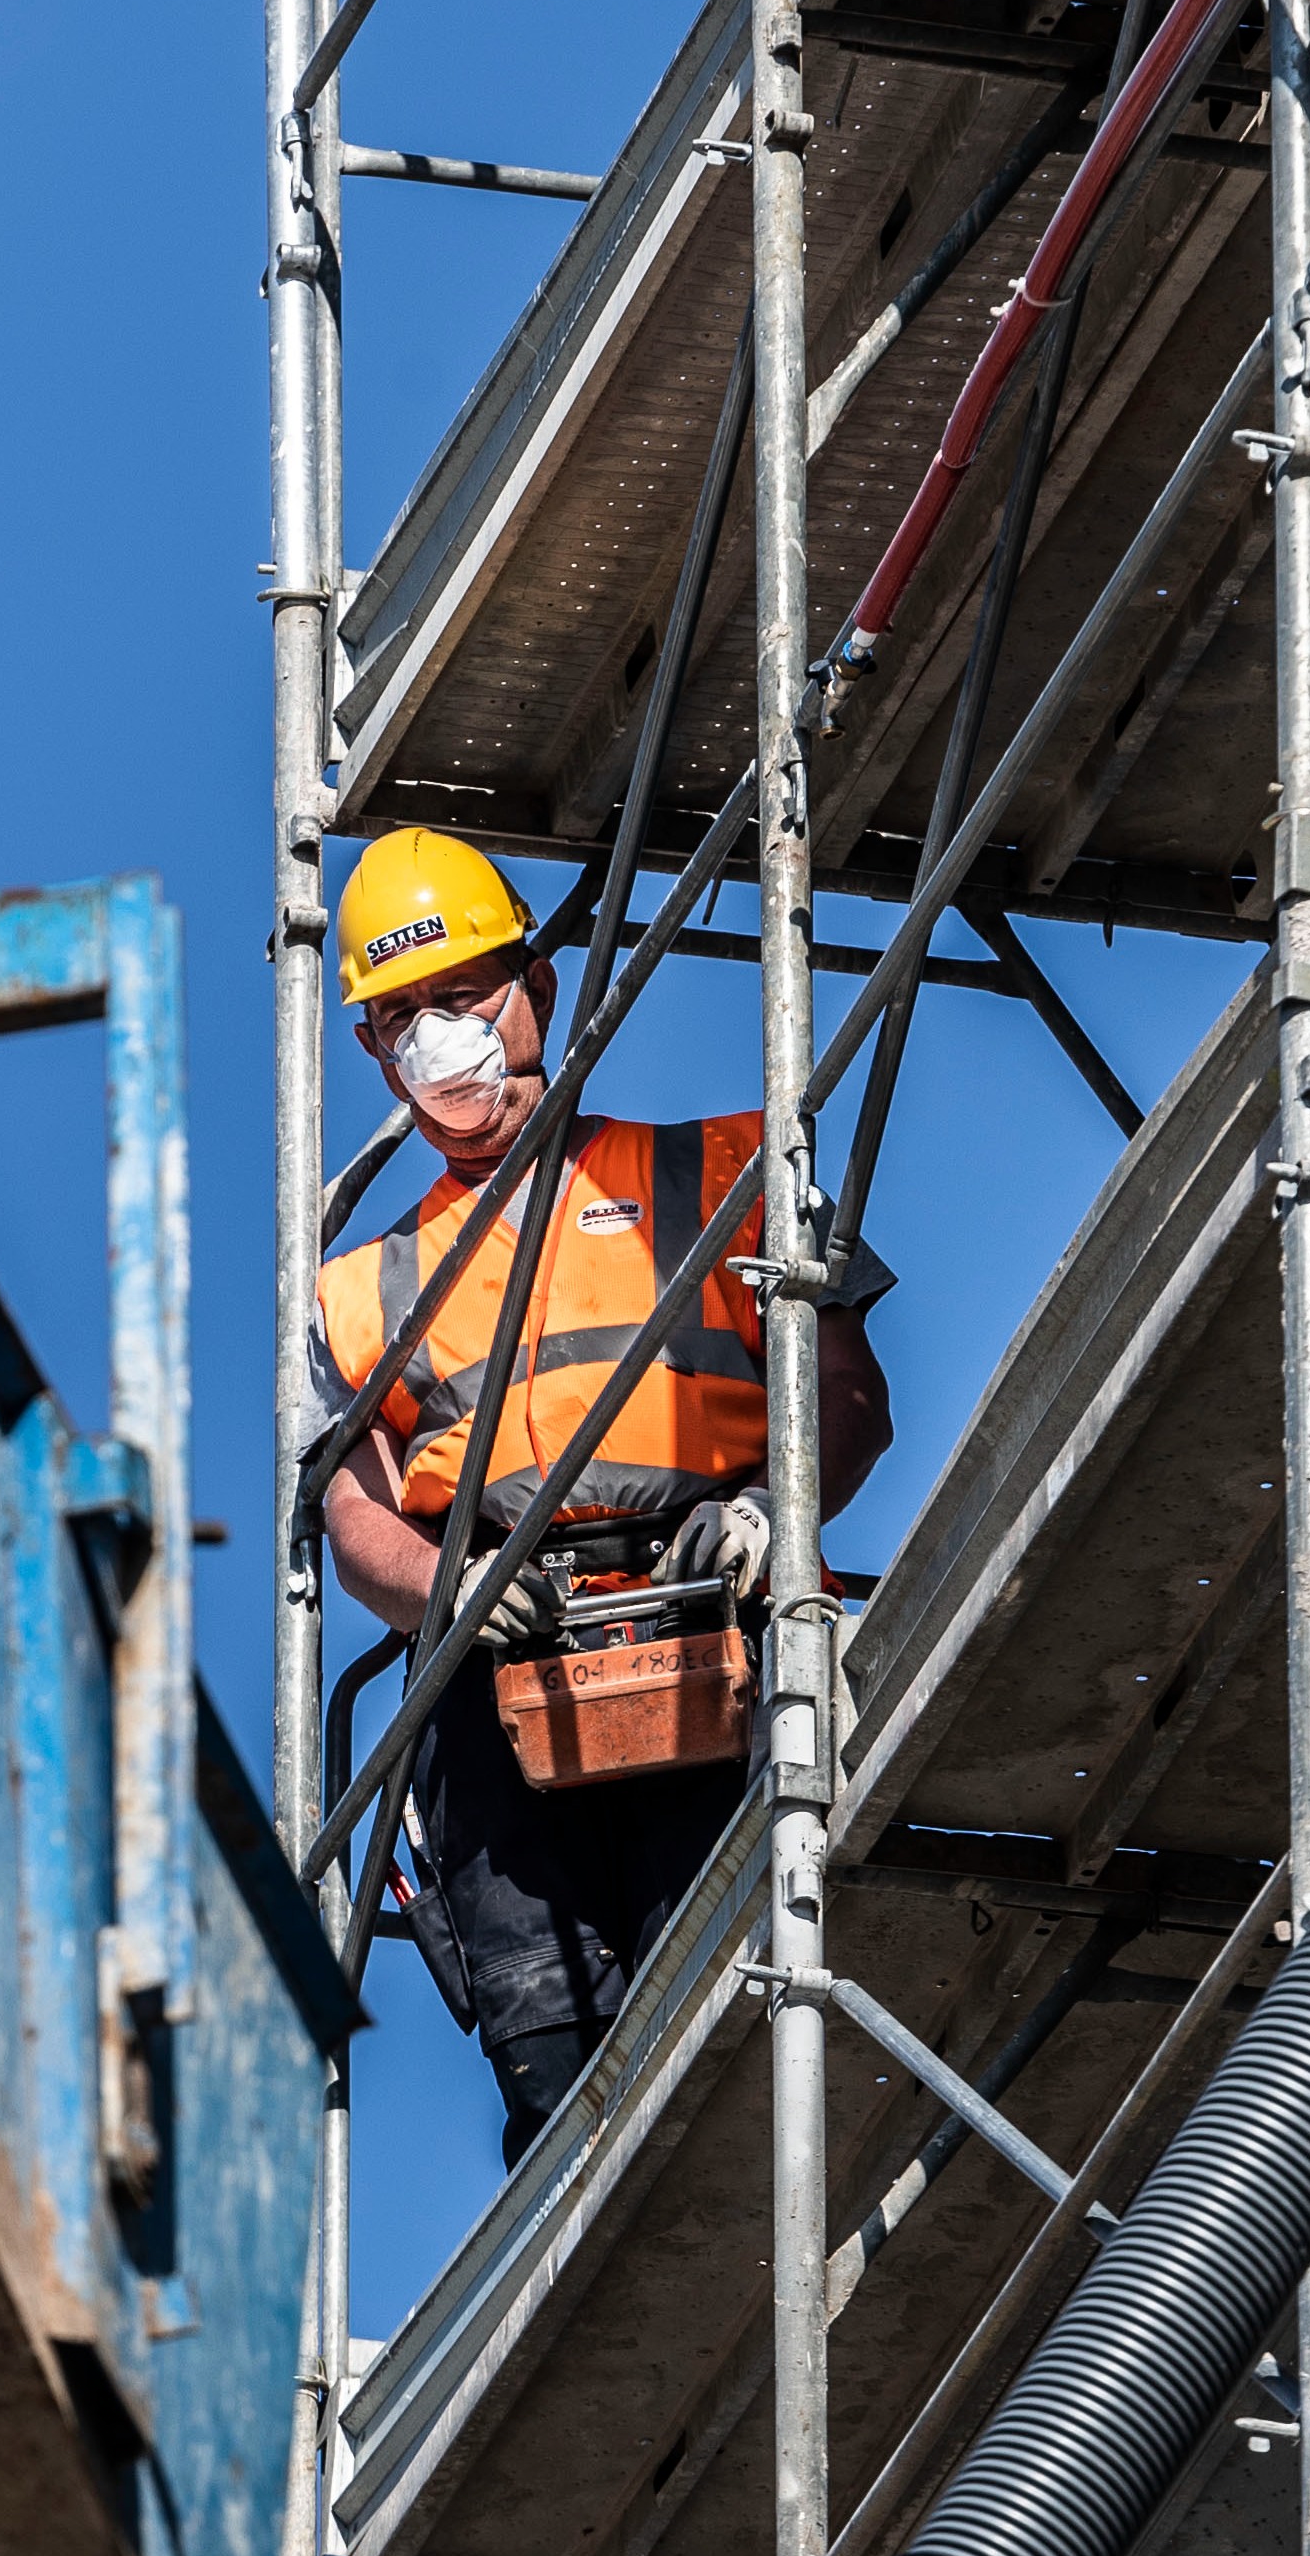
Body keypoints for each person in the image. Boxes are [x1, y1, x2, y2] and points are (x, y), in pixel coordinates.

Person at [308, 828, 893, 2162]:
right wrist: (449, 1588)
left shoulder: (729, 1170)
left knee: (752, 2017)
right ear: (370, 1053)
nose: (442, 1039)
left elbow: (851, 1390)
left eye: (464, 997)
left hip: (714, 1627)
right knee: (560, 2075)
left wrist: (773, 1515)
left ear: (541, 986)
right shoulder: (357, 1291)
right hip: (498, 1691)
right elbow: (356, 1518)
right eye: (404, 1019)